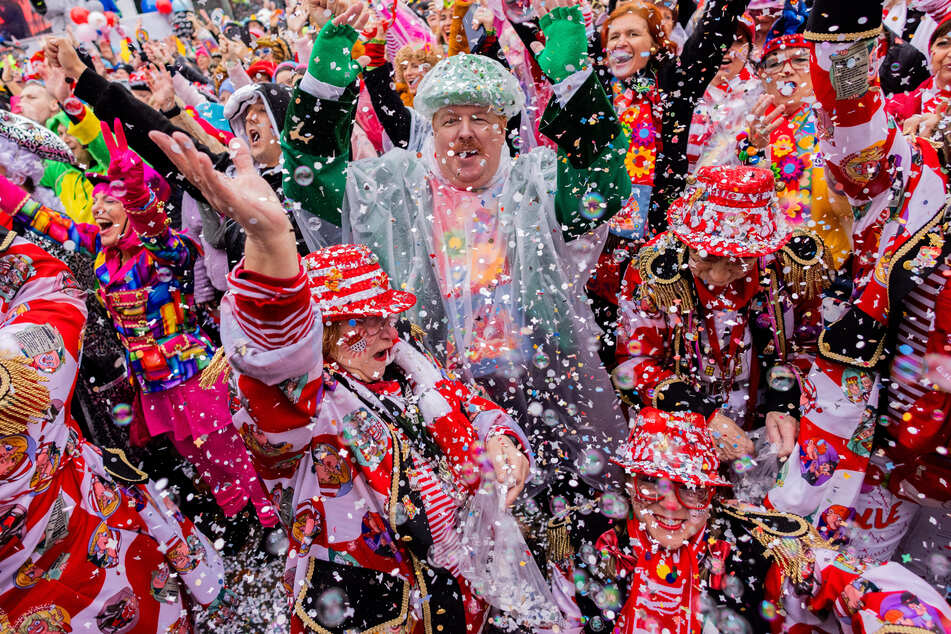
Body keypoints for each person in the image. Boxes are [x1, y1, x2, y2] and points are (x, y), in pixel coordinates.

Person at [148, 126, 535, 633]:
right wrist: (273, 240)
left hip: (462, 586)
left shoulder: (405, 364)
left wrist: (501, 440)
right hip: (378, 608)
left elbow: (469, 403)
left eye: (387, 315)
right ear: (323, 336)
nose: (387, 330)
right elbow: (277, 350)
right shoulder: (300, 407)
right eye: (365, 319)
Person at [282, 0, 632, 476]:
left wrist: (574, 81)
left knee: (565, 514)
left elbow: (602, 184)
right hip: (438, 401)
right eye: (450, 120)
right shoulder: (394, 190)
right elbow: (309, 181)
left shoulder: (537, 183)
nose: (464, 133)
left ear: (504, 126)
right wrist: (323, 89)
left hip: (549, 391)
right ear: (431, 127)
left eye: (480, 118)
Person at [0, 119, 276, 528]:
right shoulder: (99, 252)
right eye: (96, 203)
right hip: (153, 385)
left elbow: (161, 236)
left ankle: (276, 521)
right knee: (201, 460)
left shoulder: (164, 252)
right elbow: (44, 220)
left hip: (196, 376)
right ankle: (244, 522)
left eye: (109, 202)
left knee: (231, 450)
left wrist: (138, 197)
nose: (98, 209)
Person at [764, 0, 951, 564]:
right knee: (838, 581)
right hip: (880, 442)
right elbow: (855, 129)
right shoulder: (919, 178)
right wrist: (845, 33)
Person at [0, 222, 225, 631]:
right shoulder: (17, 373)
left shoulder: (141, 248)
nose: (102, 211)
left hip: (167, 373)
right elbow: (52, 286)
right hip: (102, 550)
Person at [546, 407, 951, 632]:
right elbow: (561, 623)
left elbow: (845, 577)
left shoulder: (753, 544)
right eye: (651, 482)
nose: (670, 505)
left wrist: (901, 620)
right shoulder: (584, 536)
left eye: (691, 488)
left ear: (714, 493)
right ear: (628, 484)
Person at [615, 165, 829, 462]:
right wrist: (703, 415)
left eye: (737, 260)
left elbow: (808, 346)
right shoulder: (653, 271)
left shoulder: (790, 265)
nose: (717, 274)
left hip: (765, 432)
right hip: (676, 435)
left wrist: (785, 403)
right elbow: (635, 364)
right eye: (704, 255)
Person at [738, 0, 854, 267]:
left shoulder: (837, 121)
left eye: (800, 59)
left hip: (830, 266)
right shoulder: (749, 129)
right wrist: (754, 149)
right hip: (768, 267)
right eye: (774, 63)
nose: (787, 69)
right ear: (762, 75)